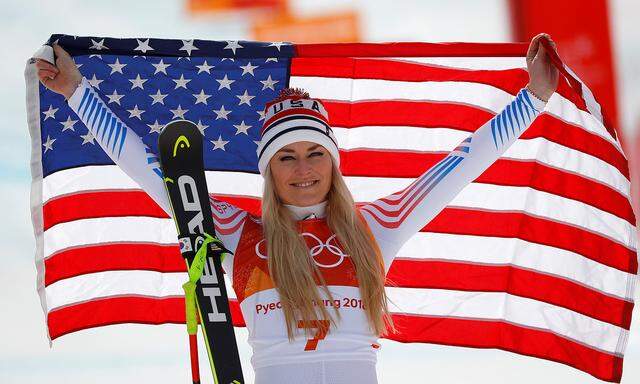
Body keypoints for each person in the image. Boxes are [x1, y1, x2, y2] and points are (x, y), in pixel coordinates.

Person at [36, 33, 558, 384]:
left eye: (314, 154)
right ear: (268, 170)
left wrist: (532, 98)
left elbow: (461, 165)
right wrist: (76, 93)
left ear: (332, 164)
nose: (303, 168)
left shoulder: (378, 225)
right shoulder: (239, 233)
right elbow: (154, 171)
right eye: (286, 157)